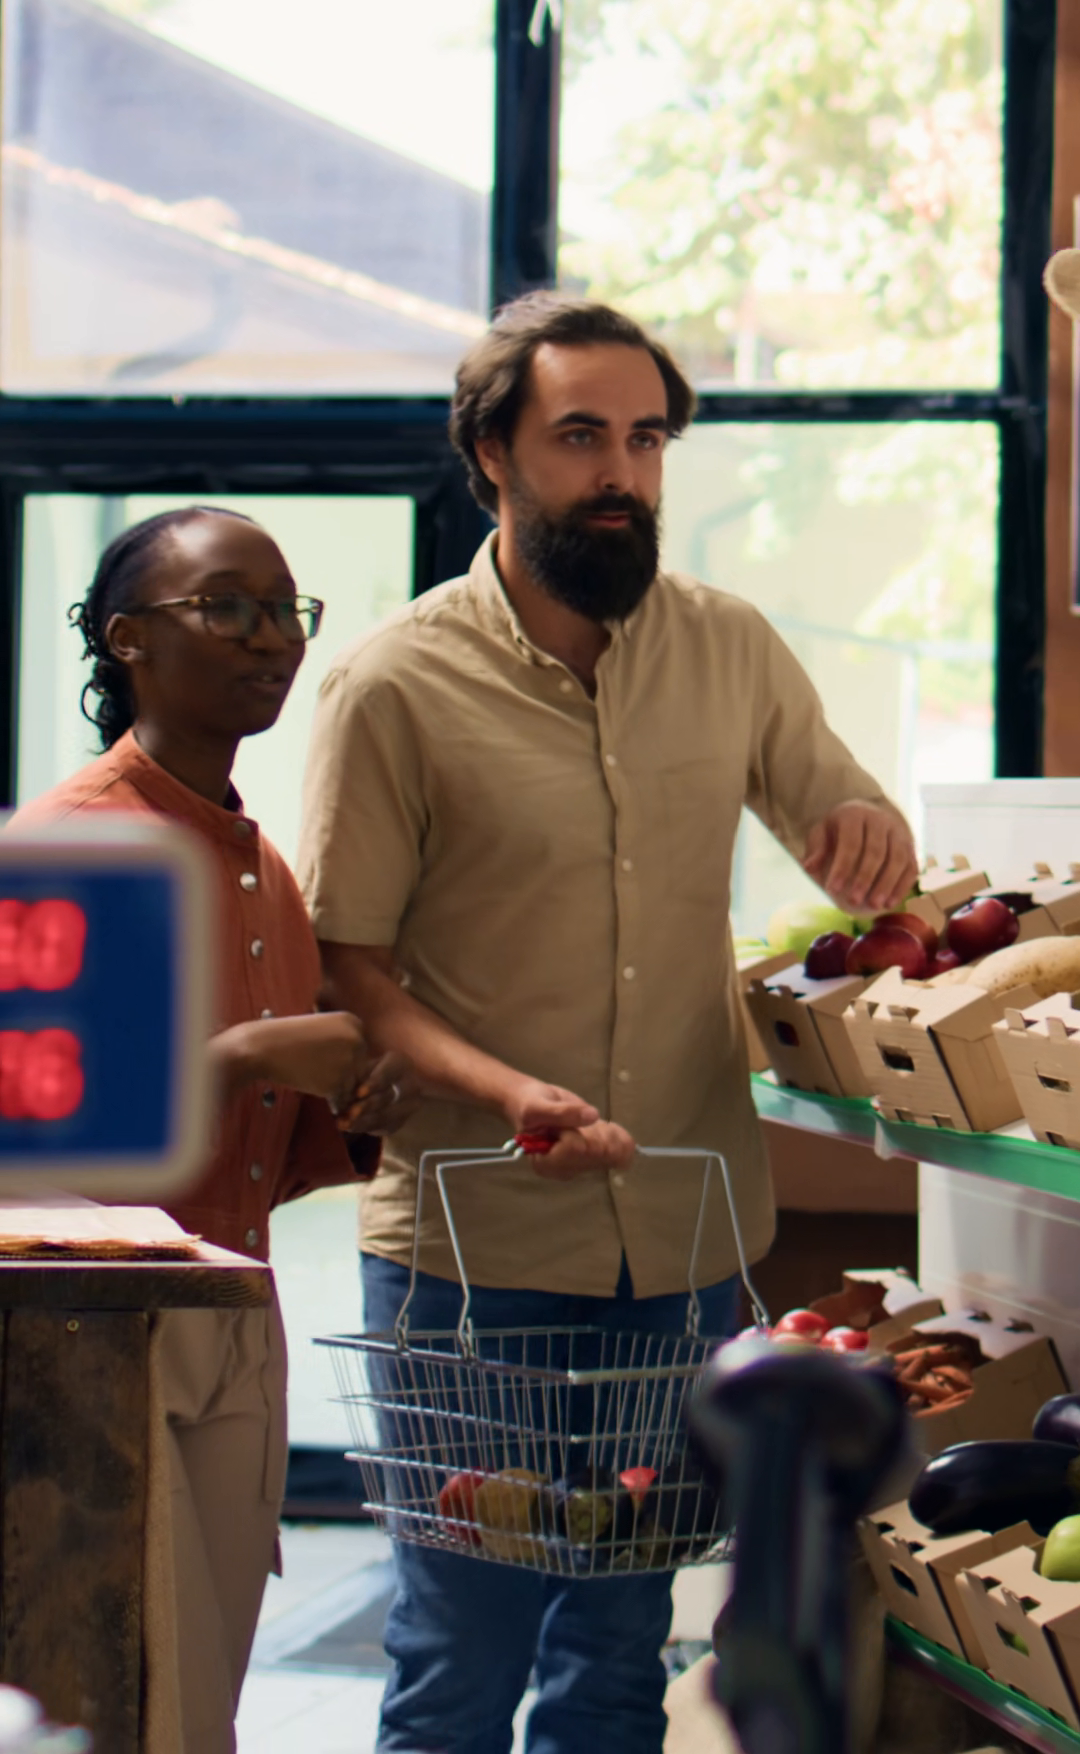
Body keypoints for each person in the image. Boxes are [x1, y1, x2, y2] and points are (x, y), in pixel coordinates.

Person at [296, 293, 918, 1754]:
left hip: (684, 1244)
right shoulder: (393, 682)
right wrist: (510, 1091)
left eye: (645, 440)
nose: (622, 473)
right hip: (473, 1256)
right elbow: (351, 970)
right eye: (581, 437)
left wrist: (864, 834)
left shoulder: (729, 647)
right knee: (459, 1657)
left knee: (622, 1656)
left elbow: (841, 808)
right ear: (492, 456)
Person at [7, 505, 413, 1754]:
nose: (270, 638)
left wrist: (355, 1111)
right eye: (227, 607)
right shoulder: (69, 847)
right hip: (90, 1326)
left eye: (285, 610)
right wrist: (245, 1057)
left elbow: (265, 1154)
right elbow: (28, 1141)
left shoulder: (259, 863)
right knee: (130, 1700)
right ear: (126, 638)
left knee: (203, 1703)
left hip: (234, 1303)